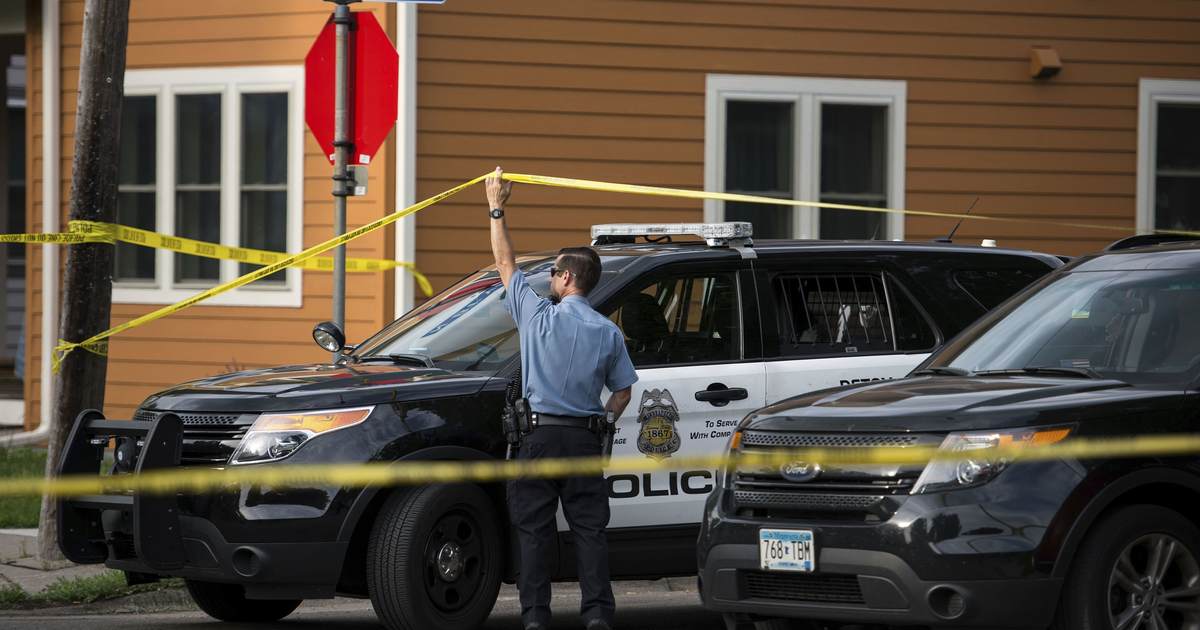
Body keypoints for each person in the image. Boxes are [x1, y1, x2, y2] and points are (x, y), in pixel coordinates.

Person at [486, 167, 637, 630]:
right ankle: (596, 616)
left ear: (567, 277)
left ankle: (535, 618)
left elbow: (505, 265)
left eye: (552, 272)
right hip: (585, 442)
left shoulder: (537, 317)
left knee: (533, 532)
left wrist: (496, 206)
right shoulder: (608, 331)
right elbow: (624, 391)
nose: (548, 278)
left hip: (538, 439)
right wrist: (605, 420)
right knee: (590, 532)